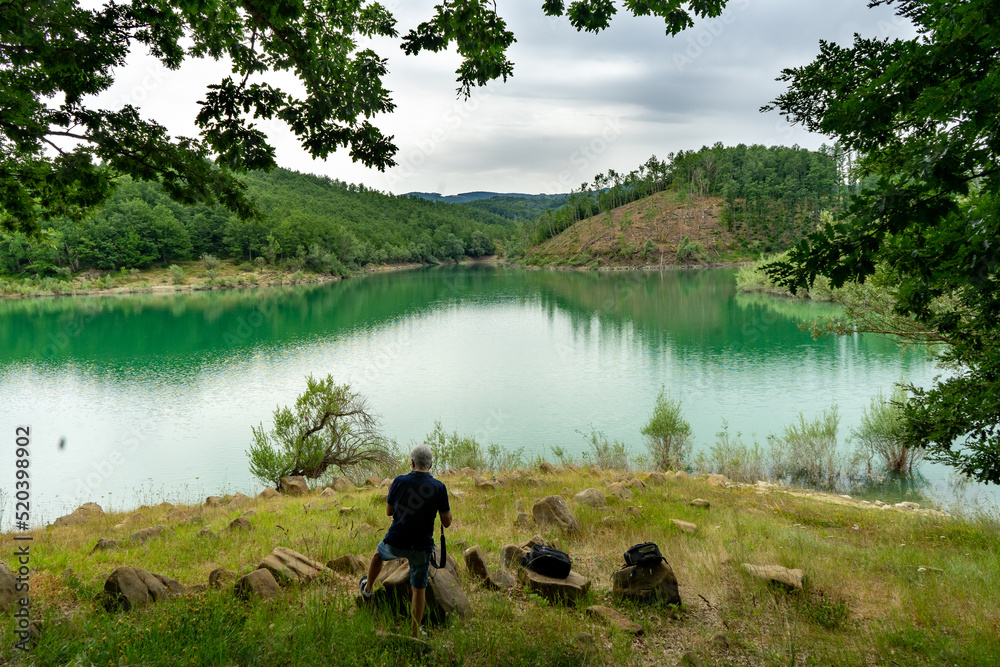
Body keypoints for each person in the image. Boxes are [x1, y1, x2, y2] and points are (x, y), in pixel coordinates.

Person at [359, 444, 452, 637]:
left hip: (396, 540)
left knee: (378, 554)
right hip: (421, 546)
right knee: (419, 589)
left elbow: (389, 512)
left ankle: (367, 589)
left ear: (411, 463)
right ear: (431, 465)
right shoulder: (439, 487)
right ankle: (415, 633)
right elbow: (447, 522)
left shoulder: (399, 481)